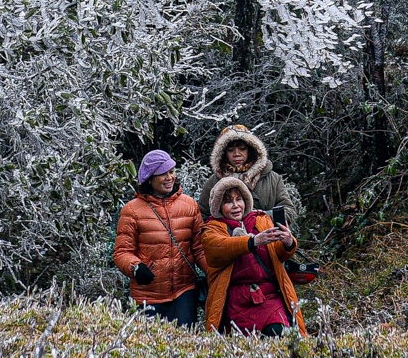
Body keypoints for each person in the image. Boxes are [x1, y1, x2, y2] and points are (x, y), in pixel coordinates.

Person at [200, 175, 306, 336]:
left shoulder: (261, 220)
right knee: (243, 351)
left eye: (239, 199)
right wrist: (252, 241)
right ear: (218, 207)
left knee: (281, 335)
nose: (236, 206)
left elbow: (279, 254)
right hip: (235, 302)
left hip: (269, 297)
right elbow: (218, 248)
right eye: (228, 201)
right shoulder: (212, 228)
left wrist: (288, 242)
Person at [113, 150, 208, 327]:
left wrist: (214, 274)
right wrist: (136, 268)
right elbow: (122, 252)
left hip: (184, 291)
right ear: (149, 179)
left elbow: (199, 248)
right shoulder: (131, 210)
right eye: (162, 174)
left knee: (185, 344)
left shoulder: (189, 205)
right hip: (148, 294)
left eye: (171, 171)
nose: (169, 177)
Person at [199, 124, 301, 235]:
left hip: (269, 244)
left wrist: (259, 218)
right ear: (223, 153)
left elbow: (288, 210)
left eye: (242, 149)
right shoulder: (214, 181)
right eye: (231, 150)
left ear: (251, 149)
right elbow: (202, 217)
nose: (237, 154)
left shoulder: (272, 178)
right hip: (231, 247)